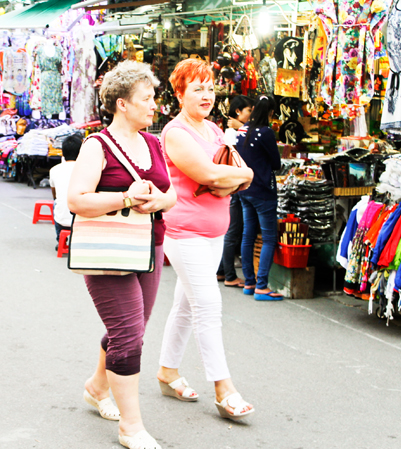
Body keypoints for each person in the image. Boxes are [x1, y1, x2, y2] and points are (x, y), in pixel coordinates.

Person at [67, 60, 177, 449]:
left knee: (131, 329)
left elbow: (172, 194)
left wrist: (158, 200)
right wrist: (128, 198)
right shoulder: (95, 145)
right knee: (129, 335)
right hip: (109, 249)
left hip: (150, 245)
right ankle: (131, 427)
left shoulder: (154, 142)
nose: (154, 106)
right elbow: (76, 199)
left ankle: (98, 386)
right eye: (146, 99)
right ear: (121, 104)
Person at [157, 58, 255, 420]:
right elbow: (209, 173)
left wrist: (229, 176)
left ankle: (167, 371)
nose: (206, 95)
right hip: (186, 234)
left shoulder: (213, 130)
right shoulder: (176, 132)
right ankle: (223, 388)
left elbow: (245, 174)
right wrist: (229, 175)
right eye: (196, 88)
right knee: (208, 308)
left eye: (210, 87)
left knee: (184, 307)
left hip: (214, 234)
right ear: (179, 92)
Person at [235, 94, 284, 301]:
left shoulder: (242, 130)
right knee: (268, 238)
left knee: (248, 234)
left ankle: (249, 282)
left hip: (244, 189)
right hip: (263, 191)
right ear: (271, 112)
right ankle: (262, 286)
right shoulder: (266, 133)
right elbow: (276, 163)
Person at [217, 95, 254, 288]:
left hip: (237, 184)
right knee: (233, 231)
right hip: (235, 185)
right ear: (238, 112)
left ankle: (223, 271)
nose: (252, 114)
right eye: (249, 110)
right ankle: (230, 275)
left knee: (234, 230)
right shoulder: (232, 131)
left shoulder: (236, 128)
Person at [49, 133, 83, 247]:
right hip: (81, 218)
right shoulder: (86, 169)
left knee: (56, 203)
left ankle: (60, 239)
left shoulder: (54, 170)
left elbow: (54, 194)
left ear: (62, 152)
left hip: (62, 219)